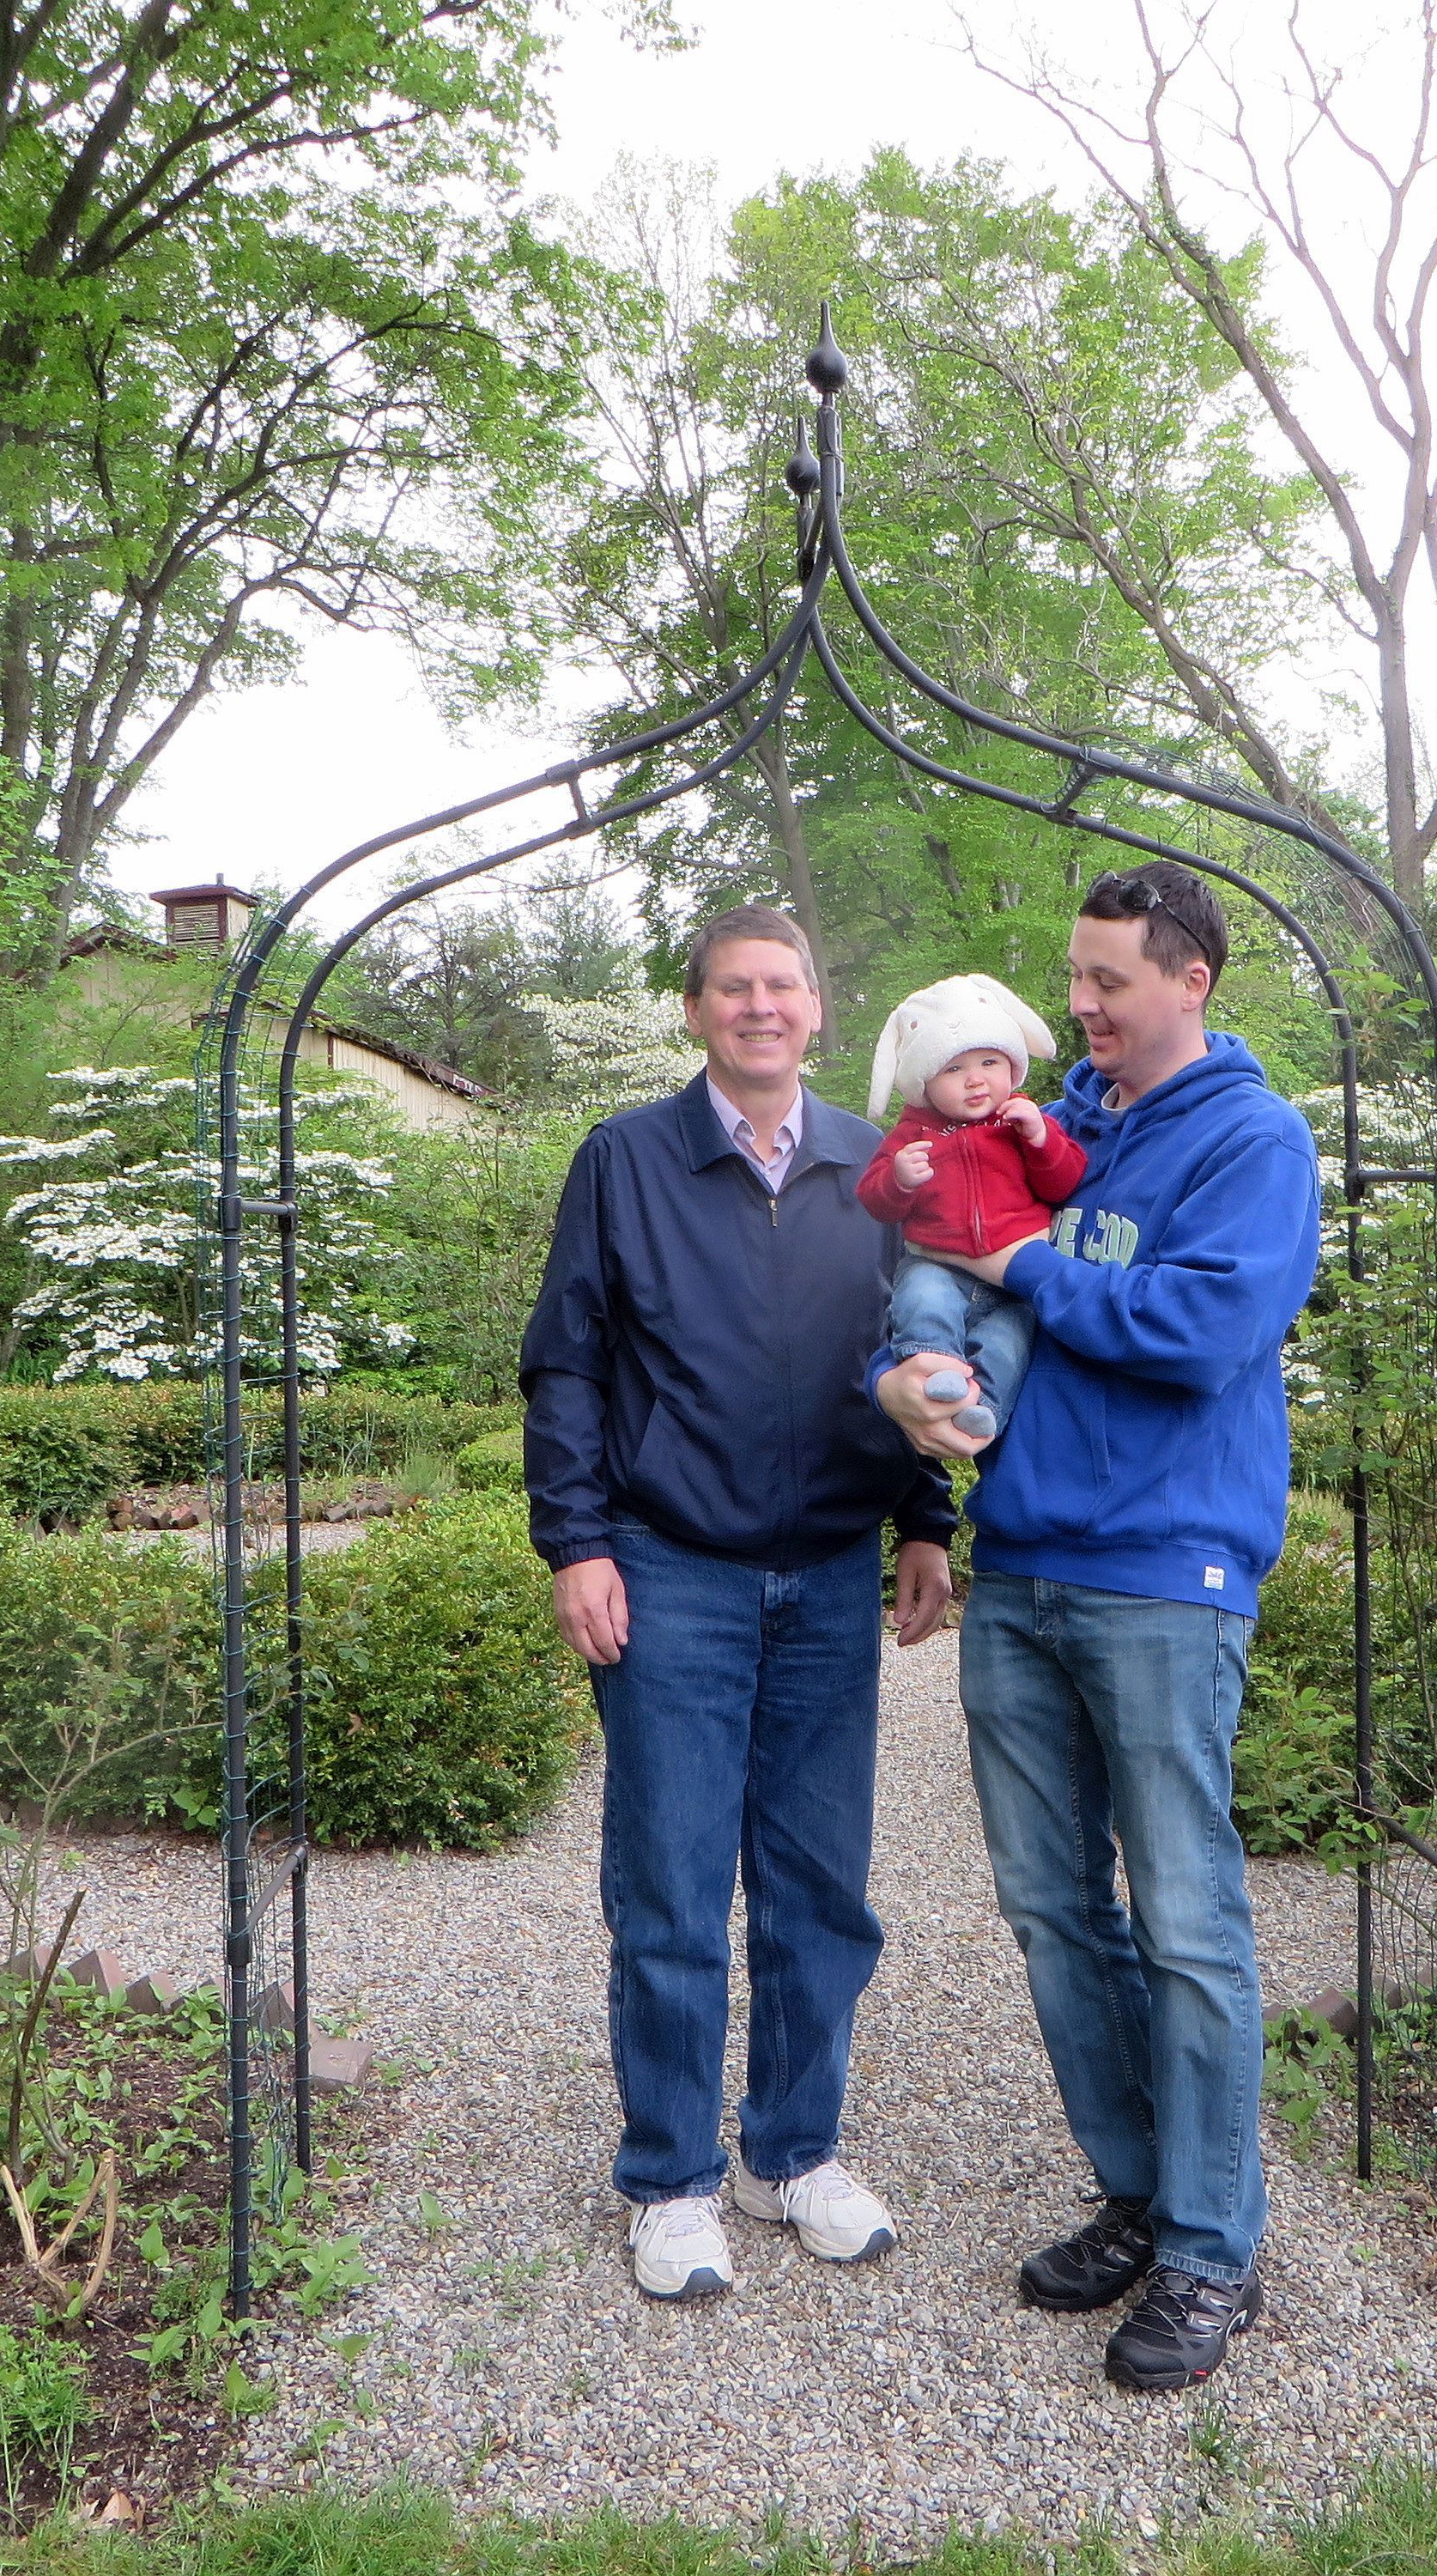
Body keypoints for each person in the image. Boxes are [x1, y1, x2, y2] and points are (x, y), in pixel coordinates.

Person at [873, 862, 1320, 2393]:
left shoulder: (1250, 1140)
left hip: (1165, 1577)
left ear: (1193, 980)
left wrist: (1020, 1263)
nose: (1078, 1007)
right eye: (1073, 979)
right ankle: (1140, 2192)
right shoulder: (1054, 1129)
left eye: (1108, 981)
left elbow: (1201, 1333)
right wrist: (903, 1378)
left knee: (1187, 1922)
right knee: (1055, 1911)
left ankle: (1212, 2248)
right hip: (1023, 1569)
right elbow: (941, 1281)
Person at [522, 904, 959, 2303]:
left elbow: (916, 1353)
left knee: (820, 1889)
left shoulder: (877, 1171)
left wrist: (924, 1519)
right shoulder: (627, 1160)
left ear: (818, 1009)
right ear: (696, 1010)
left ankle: (792, 2152)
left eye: (783, 984)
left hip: (828, 1576)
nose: (760, 1006)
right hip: (671, 1571)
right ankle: (671, 2177)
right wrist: (576, 1543)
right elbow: (568, 1364)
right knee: (670, 1885)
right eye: (733, 987)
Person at [854, 971, 1090, 1442]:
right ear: (924, 1081)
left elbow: (1064, 1184)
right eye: (954, 1069)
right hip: (940, 1262)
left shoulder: (1022, 1120)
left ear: (1013, 1066)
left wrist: (1041, 1140)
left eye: (989, 1061)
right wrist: (899, 1179)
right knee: (922, 1297)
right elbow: (875, 1201)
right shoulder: (911, 1135)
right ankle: (935, 1365)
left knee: (1012, 1338)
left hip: (1015, 1277)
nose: (975, 1080)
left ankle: (983, 1406)